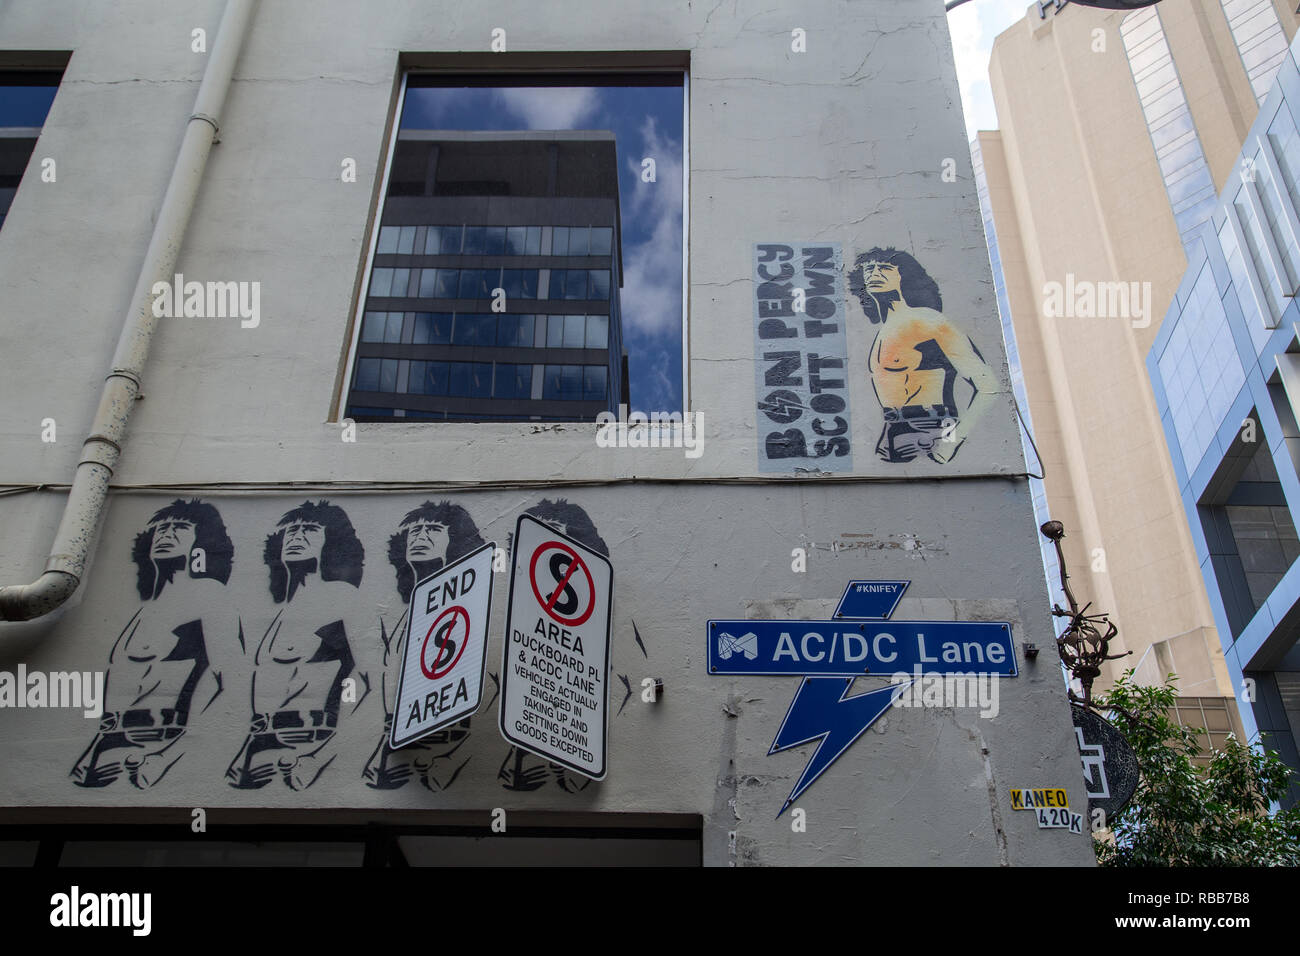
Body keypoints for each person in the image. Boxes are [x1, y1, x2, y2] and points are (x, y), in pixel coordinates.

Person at [72, 499, 239, 789]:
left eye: (180, 527)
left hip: (163, 745)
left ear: (200, 542)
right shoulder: (144, 609)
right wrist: (94, 752)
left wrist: (170, 755)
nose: (167, 533)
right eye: (161, 527)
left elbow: (231, 681)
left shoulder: (209, 596)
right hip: (111, 746)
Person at [227, 500, 367, 791]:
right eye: (291, 531)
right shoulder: (279, 611)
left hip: (312, 741)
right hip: (261, 746)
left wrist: (320, 757)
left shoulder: (342, 597)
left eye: (310, 530)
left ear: (331, 543)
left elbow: (369, 684)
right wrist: (245, 752)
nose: (297, 536)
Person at [364, 501, 488, 792]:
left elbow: (489, 688)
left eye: (433, 529)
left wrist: (456, 758)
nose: (420, 536)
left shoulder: (467, 608)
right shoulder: (405, 615)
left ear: (456, 541)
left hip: (446, 747)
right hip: (398, 748)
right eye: (414, 531)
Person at [847, 247, 997, 464]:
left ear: (903, 275)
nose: (874, 274)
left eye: (885, 268)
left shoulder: (927, 321)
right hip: (892, 432)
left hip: (928, 428)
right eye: (869, 269)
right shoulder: (883, 330)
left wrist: (949, 445)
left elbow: (988, 387)